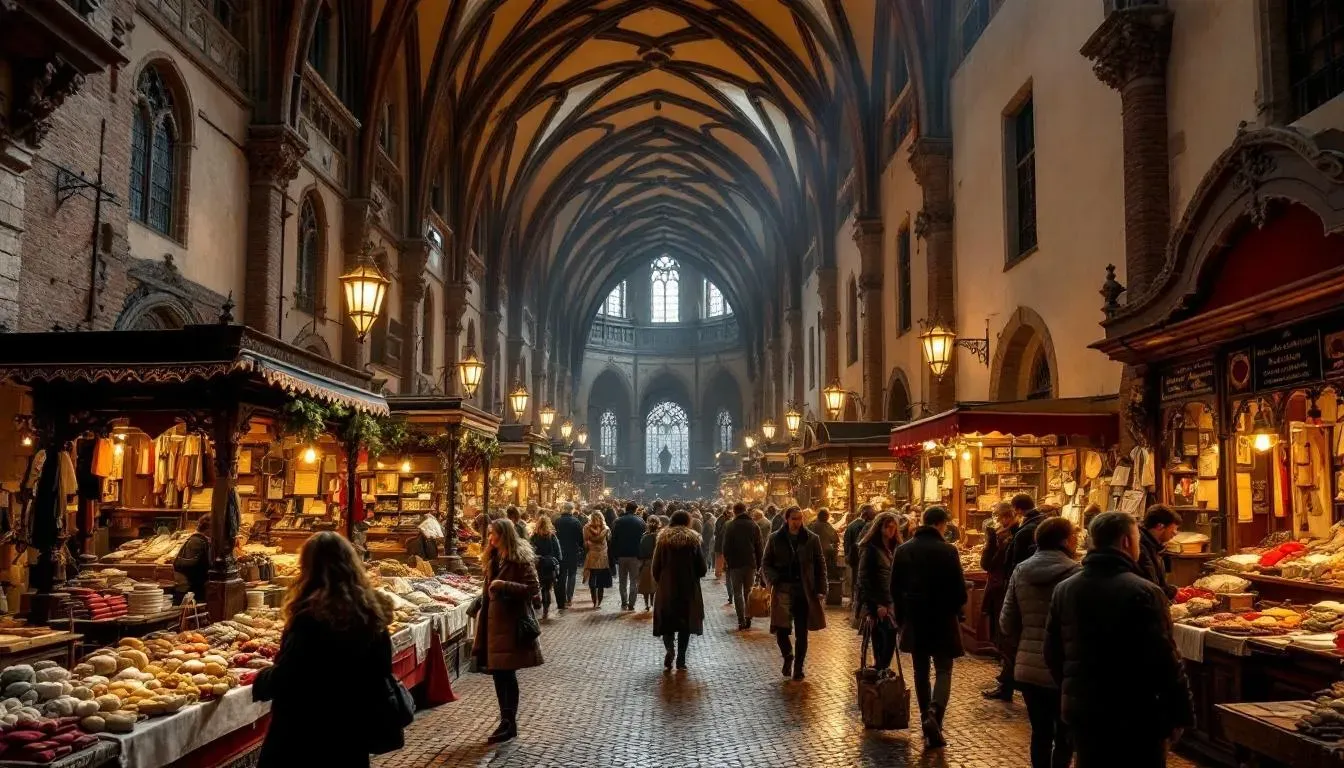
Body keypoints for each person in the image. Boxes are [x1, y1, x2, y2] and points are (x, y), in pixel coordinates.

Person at [1045, 512, 1193, 768]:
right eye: (1136, 538)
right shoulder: (1145, 592)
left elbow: (1052, 652)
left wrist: (1074, 690)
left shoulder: (1065, 589)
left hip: (1085, 712)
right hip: (1136, 714)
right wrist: (1181, 713)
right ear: (1126, 541)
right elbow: (1166, 661)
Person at [252, 531, 394, 767]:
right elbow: (381, 673)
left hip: (303, 735)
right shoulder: (371, 616)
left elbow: (290, 676)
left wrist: (262, 680)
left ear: (308, 568)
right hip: (350, 735)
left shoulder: (310, 618)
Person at [1000, 517, 1081, 768]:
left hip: (1028, 668)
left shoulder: (1021, 570)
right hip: (1065, 668)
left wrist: (1023, 645)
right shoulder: (1077, 573)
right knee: (1065, 735)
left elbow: (1006, 622)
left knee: (1040, 733)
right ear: (1067, 541)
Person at [891, 506, 967, 749]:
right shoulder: (948, 550)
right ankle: (935, 714)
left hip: (915, 619)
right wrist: (955, 610)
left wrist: (902, 619)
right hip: (943, 619)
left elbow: (895, 588)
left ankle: (926, 717)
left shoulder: (903, 550)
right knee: (944, 670)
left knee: (921, 672)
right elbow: (960, 590)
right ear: (942, 524)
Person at [473, 519, 543, 745]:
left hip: (510, 626)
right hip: (493, 625)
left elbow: (533, 589)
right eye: (490, 535)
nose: (490, 539)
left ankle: (509, 722)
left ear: (506, 536)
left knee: (506, 674)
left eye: (494, 535)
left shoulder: (520, 559)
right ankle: (505, 721)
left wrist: (504, 585)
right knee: (498, 675)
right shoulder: (493, 558)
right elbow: (489, 587)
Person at [761, 506, 827, 681]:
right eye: (793, 519)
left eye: (799, 519)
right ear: (787, 520)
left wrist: (821, 589)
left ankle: (798, 666)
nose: (797, 522)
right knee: (781, 629)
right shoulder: (775, 538)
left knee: (801, 632)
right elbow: (766, 563)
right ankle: (788, 655)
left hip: (804, 590)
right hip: (783, 589)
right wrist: (773, 579)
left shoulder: (812, 539)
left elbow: (820, 565)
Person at [651, 510, 707, 671]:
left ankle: (670, 649)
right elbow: (702, 568)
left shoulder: (662, 540)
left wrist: (660, 581)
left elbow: (656, 567)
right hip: (688, 588)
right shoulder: (694, 541)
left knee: (667, 622)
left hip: (667, 588)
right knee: (685, 624)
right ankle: (681, 658)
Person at [981, 501, 1021, 701]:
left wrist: (990, 542)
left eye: (997, 516)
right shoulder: (1016, 534)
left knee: (1004, 636)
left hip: (1002, 590)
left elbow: (988, 563)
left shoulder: (1006, 538)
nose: (996, 521)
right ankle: (1007, 680)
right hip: (1005, 589)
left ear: (1006, 517)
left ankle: (1007, 683)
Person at [855, 510, 901, 671]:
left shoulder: (896, 548)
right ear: (879, 528)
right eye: (888, 527)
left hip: (891, 601)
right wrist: (876, 605)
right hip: (878, 602)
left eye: (894, 528)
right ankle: (880, 673)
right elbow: (864, 579)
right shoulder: (871, 549)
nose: (891, 531)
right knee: (882, 638)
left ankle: (881, 671)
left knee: (889, 637)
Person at [721, 502, 764, 630]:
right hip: (750, 563)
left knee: (737, 593)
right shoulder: (754, 525)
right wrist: (759, 563)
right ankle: (748, 616)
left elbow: (726, 547)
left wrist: (728, 561)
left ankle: (741, 620)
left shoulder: (730, 525)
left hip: (735, 564)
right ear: (745, 510)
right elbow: (759, 547)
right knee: (748, 592)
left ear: (734, 511)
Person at [1137, 504, 1181, 599]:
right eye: (1173, 529)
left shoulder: (1154, 546)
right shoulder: (1141, 548)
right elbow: (1149, 585)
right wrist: (1171, 592)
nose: (1175, 533)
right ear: (1160, 526)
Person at [611, 501, 647, 611]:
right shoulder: (640, 521)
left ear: (626, 509)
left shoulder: (618, 521)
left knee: (622, 581)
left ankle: (624, 601)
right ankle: (631, 603)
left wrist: (614, 554)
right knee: (634, 581)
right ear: (635, 509)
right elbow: (643, 539)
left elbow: (613, 539)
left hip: (621, 555)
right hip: (635, 556)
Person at [528, 515, 563, 620]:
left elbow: (530, 551)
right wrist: (557, 561)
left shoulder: (534, 536)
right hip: (550, 565)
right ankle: (546, 610)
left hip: (539, 564)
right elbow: (558, 553)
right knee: (547, 588)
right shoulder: (552, 536)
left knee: (540, 586)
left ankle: (541, 608)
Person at [172, 513, 211, 604]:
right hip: (190, 591)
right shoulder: (197, 542)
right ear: (209, 529)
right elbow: (189, 566)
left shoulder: (199, 541)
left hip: (190, 588)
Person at [553, 501, 585, 609]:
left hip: (560, 552)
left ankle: (561, 599)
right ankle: (569, 597)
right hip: (572, 551)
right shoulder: (576, 522)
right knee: (572, 574)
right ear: (572, 510)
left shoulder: (557, 521)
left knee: (562, 575)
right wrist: (580, 547)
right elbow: (580, 538)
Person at [843, 504, 876, 607]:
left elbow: (846, 542)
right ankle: (857, 602)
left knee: (854, 579)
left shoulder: (851, 525)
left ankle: (854, 600)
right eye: (872, 514)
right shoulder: (865, 526)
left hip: (854, 558)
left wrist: (847, 555)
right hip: (860, 558)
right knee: (860, 580)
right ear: (865, 514)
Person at [583, 512, 612, 609]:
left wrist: (589, 545)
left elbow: (585, 542)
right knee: (601, 579)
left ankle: (594, 600)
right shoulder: (606, 528)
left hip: (592, 554)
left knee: (592, 576)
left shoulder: (586, 528)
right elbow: (609, 540)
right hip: (602, 555)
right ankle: (599, 600)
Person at [1007, 493, 1042, 573]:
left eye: (1014, 509)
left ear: (1018, 509)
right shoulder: (1042, 519)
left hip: (1026, 572)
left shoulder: (1025, 530)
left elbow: (1017, 560)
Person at [637, 516, 662, 610]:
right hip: (657, 562)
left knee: (645, 585)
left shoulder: (644, 536)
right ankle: (652, 602)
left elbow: (641, 551)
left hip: (646, 563)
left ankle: (646, 603)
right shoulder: (660, 536)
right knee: (655, 585)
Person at [808, 507, 841, 577]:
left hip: (813, 553)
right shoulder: (827, 526)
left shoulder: (812, 525)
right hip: (824, 553)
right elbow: (836, 539)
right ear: (826, 516)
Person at [713, 507, 729, 578]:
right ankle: (718, 573)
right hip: (720, 542)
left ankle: (719, 572)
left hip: (720, 541)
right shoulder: (722, 519)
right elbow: (720, 532)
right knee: (719, 557)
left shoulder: (722, 519)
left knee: (719, 557)